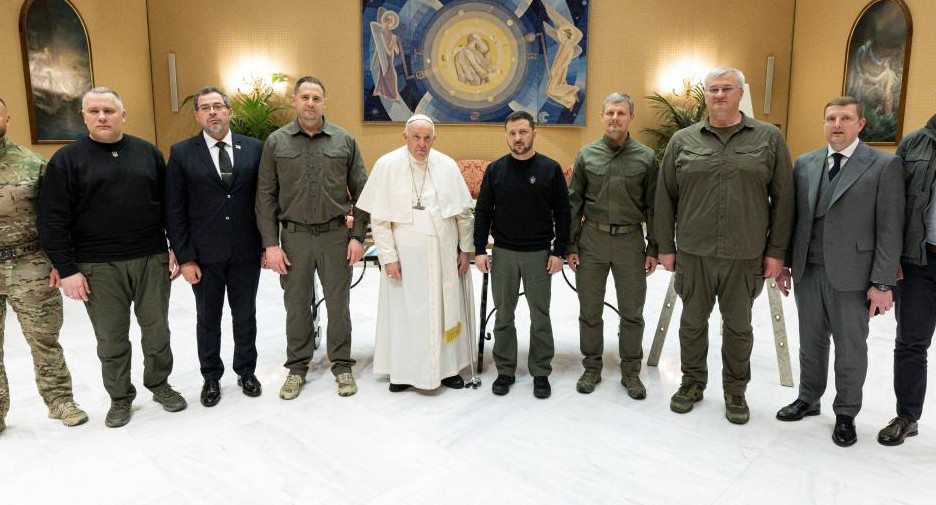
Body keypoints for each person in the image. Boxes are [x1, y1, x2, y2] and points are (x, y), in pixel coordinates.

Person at [37, 87, 186, 428]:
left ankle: (159, 383)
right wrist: (67, 269)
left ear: (123, 114)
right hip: (98, 266)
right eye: (94, 111)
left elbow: (169, 207)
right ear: (84, 117)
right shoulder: (67, 161)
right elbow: (52, 219)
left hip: (150, 258)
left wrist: (177, 245)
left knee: (157, 331)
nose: (102, 116)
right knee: (111, 337)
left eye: (108, 110)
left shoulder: (147, 153)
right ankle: (120, 396)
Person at [655, 67, 794, 424]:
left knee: (738, 328)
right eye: (713, 89)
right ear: (706, 95)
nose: (719, 95)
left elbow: (784, 199)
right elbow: (664, 198)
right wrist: (665, 247)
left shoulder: (768, 139)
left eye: (727, 89)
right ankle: (692, 382)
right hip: (693, 252)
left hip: (744, 253)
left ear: (740, 93)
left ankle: (735, 391)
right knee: (692, 324)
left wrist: (776, 251)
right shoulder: (683, 141)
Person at [775, 96, 903, 447]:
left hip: (854, 274)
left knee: (850, 348)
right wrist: (786, 263)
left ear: (861, 124)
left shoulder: (882, 165)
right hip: (808, 270)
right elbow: (793, 219)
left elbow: (890, 228)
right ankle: (808, 398)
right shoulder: (805, 163)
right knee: (811, 341)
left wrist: (882, 282)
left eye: (846, 118)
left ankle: (846, 413)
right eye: (831, 117)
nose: (837, 124)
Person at [255, 76, 368, 399]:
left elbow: (363, 192)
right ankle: (297, 367)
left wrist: (358, 237)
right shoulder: (276, 143)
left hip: (335, 235)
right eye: (304, 97)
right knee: (296, 305)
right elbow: (265, 196)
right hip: (294, 239)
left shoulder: (343, 141)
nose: (310, 103)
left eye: (316, 97)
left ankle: (342, 365)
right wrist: (271, 244)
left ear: (324, 102)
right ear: (294, 101)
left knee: (339, 304)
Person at [357, 114, 475, 392]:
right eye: (416, 137)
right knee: (406, 314)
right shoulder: (387, 165)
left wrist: (466, 250)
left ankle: (447, 371)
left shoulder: (446, 166)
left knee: (444, 310)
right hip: (405, 258)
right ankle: (404, 372)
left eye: (427, 138)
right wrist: (388, 258)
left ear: (434, 139)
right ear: (405, 137)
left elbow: (463, 214)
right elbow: (381, 220)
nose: (421, 144)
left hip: (444, 254)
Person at [165, 87, 264, 407]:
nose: (213, 112)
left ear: (230, 111)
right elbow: (174, 210)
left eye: (218, 106)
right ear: (197, 115)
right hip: (203, 256)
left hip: (246, 252)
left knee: (245, 314)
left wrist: (267, 244)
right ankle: (211, 376)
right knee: (208, 317)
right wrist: (185, 257)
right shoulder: (182, 153)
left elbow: (264, 201)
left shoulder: (254, 148)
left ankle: (246, 370)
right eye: (205, 108)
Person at [0, 96, 87, 433]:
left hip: (30, 264)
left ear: (8, 117)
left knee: (44, 340)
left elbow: (58, 218)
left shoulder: (33, 164)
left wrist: (61, 262)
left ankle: (60, 401)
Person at [566, 93, 658, 398]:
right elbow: (573, 204)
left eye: (621, 112)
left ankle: (631, 371)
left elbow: (654, 207)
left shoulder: (646, 158)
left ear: (630, 117)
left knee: (632, 311)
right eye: (609, 113)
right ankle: (591, 367)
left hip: (631, 242)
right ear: (602, 117)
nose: (614, 118)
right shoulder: (586, 155)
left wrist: (653, 247)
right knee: (590, 309)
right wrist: (570, 245)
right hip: (591, 240)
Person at [474, 110, 570, 398]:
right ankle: (505, 370)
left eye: (523, 132)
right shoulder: (495, 170)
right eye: (512, 133)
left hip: (539, 254)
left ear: (534, 133)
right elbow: (483, 212)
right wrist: (480, 249)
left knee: (540, 315)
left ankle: (541, 371)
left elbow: (564, 213)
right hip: (503, 253)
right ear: (507, 135)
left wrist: (559, 252)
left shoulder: (550, 169)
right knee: (504, 314)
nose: (518, 138)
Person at [877, 107, 936, 446]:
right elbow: (892, 208)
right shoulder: (913, 145)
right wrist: (891, 260)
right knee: (912, 343)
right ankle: (907, 416)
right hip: (921, 261)